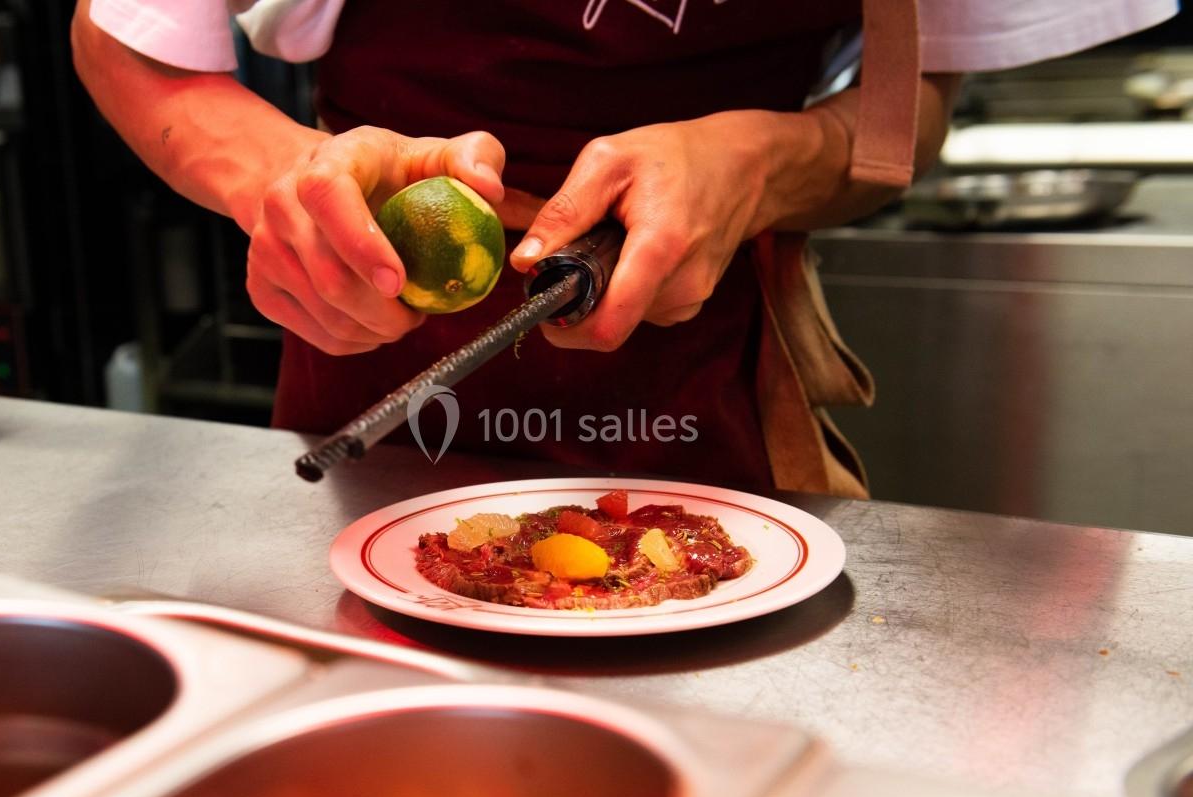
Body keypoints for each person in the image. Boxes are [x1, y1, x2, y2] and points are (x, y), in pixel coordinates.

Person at [71, 0, 1175, 496]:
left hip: (701, 364)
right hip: (384, 358)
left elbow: (909, 111)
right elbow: (127, 39)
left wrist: (767, 159)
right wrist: (289, 188)